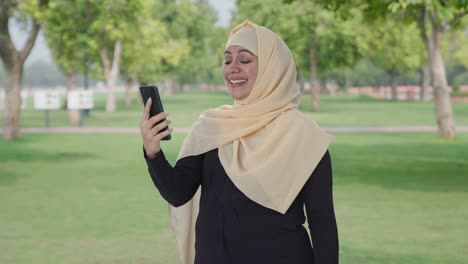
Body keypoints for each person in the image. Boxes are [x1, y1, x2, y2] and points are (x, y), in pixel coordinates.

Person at [139, 20, 339, 264]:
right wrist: (153, 152)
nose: (232, 68)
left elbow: (322, 222)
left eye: (244, 60)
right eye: (227, 60)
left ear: (271, 68)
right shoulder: (211, 126)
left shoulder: (303, 136)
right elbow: (178, 193)